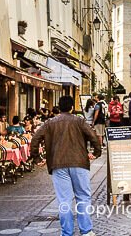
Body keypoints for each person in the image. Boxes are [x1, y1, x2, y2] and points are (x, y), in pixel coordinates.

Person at [30, 95, 100, 236]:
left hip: (58, 164)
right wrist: (96, 152)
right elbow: (93, 136)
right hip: (79, 163)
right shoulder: (79, 121)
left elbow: (35, 139)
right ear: (72, 108)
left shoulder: (49, 123)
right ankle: (86, 231)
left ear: (59, 108)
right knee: (83, 197)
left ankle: (66, 232)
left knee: (64, 199)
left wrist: (37, 158)